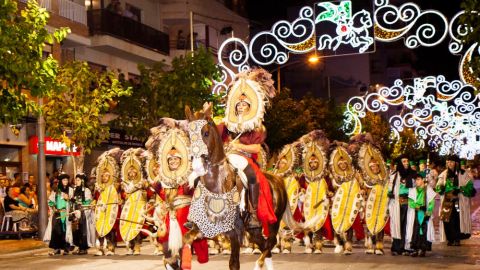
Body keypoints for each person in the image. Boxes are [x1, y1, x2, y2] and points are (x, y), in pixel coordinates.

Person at [436, 155, 476, 246]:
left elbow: (470, 187)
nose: (449, 164)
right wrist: (441, 188)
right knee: (447, 220)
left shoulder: (463, 174)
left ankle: (457, 238)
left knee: (457, 219)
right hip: (447, 201)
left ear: (456, 163)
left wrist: (460, 189)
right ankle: (450, 239)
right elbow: (438, 186)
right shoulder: (444, 174)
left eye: (451, 162)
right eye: (448, 162)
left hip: (459, 201)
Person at [388, 155, 416, 255]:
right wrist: (389, 193)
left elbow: (416, 188)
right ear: (400, 163)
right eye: (404, 161)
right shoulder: (394, 175)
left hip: (408, 204)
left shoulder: (413, 174)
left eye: (407, 161)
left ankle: (405, 247)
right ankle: (396, 248)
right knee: (396, 225)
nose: (406, 163)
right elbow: (389, 187)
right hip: (397, 203)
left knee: (407, 226)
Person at [43, 173, 74, 255]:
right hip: (57, 213)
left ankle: (66, 248)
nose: (66, 181)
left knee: (66, 231)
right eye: (64, 180)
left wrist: (68, 199)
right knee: (56, 231)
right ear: (61, 181)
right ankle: (56, 248)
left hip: (66, 213)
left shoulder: (70, 190)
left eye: (67, 180)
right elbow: (50, 201)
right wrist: (54, 208)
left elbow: (73, 201)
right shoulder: (56, 191)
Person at [406, 174, 435, 257]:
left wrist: (428, 212)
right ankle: (415, 249)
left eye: (418, 179)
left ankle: (422, 249)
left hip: (424, 213)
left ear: (423, 180)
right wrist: (418, 206)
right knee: (415, 231)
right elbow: (411, 202)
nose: (416, 181)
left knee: (423, 231)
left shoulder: (428, 190)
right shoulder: (412, 190)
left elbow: (431, 203)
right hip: (416, 213)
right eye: (416, 180)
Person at [71, 174, 95, 255]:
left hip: (84, 212)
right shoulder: (75, 190)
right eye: (76, 180)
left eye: (78, 180)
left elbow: (88, 201)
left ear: (82, 181)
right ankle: (79, 246)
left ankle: (84, 248)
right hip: (76, 212)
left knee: (83, 231)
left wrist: (79, 203)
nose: (76, 181)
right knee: (76, 231)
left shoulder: (86, 190)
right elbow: (73, 201)